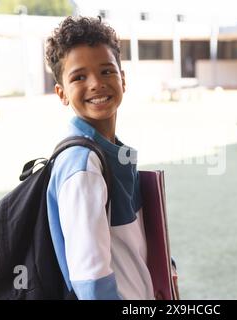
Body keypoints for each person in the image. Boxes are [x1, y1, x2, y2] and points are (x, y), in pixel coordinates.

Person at [44, 16, 154, 300]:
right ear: (61, 93)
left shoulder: (112, 150)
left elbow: (130, 243)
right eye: (79, 77)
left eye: (106, 71)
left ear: (123, 79)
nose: (95, 84)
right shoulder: (82, 165)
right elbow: (91, 280)